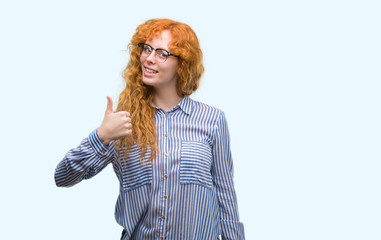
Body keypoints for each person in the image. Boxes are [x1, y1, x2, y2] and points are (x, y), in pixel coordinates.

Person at [54, 18, 244, 240]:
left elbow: (226, 198)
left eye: (162, 53)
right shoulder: (124, 123)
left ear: (182, 63)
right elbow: (63, 177)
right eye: (147, 49)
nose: (149, 59)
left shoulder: (212, 120)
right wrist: (101, 136)